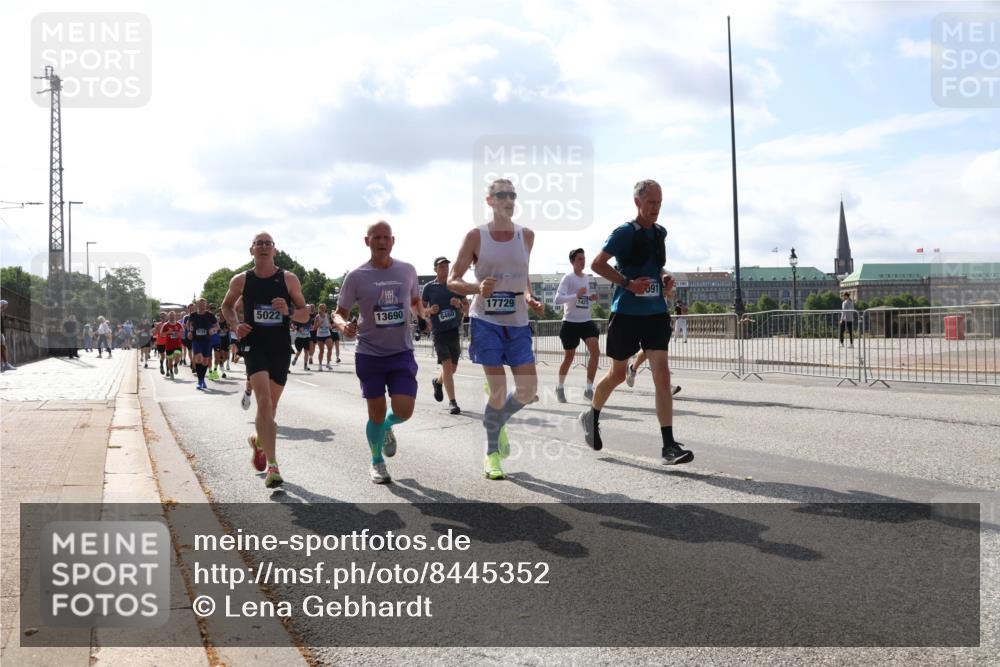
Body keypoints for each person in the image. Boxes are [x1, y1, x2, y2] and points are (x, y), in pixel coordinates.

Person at [579, 179, 693, 465]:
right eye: (651, 203)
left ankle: (668, 446)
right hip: (627, 313)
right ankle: (591, 415)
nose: (656, 209)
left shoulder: (660, 232)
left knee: (663, 376)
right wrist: (628, 283)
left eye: (660, 203)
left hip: (655, 312)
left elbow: (655, 266)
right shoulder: (624, 233)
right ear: (638, 202)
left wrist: (665, 278)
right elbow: (597, 264)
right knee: (618, 374)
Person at [448, 179, 545, 480]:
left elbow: (523, 274)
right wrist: (476, 286)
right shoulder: (476, 236)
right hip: (486, 320)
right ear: (489, 200)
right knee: (500, 391)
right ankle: (492, 454)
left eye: (512, 194)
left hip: (517, 321)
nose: (508, 199)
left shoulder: (526, 235)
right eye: (502, 194)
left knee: (528, 391)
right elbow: (452, 279)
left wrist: (529, 296)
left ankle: (496, 420)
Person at [334, 221, 425, 485]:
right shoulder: (356, 276)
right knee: (375, 411)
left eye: (386, 237)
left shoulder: (407, 270)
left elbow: (416, 301)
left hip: (401, 352)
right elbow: (339, 313)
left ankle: (387, 427)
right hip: (369, 353)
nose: (382, 242)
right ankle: (377, 462)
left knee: (404, 410)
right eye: (376, 238)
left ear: (393, 241)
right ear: (367, 241)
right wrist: (343, 326)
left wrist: (422, 316)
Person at [221, 232, 309, 490]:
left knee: (270, 410)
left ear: (275, 250)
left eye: (268, 243)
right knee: (263, 401)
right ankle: (273, 466)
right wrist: (236, 325)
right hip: (254, 345)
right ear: (251, 251)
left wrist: (289, 311)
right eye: (258, 243)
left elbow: (305, 315)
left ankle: (258, 442)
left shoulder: (288, 279)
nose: (263, 247)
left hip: (280, 347)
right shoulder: (242, 280)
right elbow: (226, 307)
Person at [422, 256, 469, 415]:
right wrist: (429, 311)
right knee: (447, 366)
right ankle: (453, 402)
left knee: (452, 369)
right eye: (441, 266)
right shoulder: (429, 288)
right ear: (435, 269)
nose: (445, 268)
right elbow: (420, 311)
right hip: (439, 332)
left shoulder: (455, 285)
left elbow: (467, 309)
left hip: (453, 331)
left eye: (446, 266)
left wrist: (459, 304)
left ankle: (438, 382)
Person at [553, 248, 600, 402]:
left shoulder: (586, 277)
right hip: (570, 323)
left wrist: (590, 298)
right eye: (579, 259)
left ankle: (588, 389)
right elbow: (557, 300)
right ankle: (559, 387)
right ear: (572, 262)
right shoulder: (568, 278)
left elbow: (582, 298)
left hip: (586, 321)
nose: (583, 261)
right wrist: (576, 295)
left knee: (595, 351)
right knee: (569, 358)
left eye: (584, 258)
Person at [186, 299, 219, 390]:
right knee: (199, 358)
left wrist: (213, 330)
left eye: (203, 304)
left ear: (206, 305)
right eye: (200, 304)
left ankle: (202, 379)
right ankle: (200, 381)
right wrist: (189, 331)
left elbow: (217, 326)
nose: (202, 306)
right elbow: (188, 324)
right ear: (197, 305)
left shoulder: (210, 315)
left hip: (207, 341)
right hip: (196, 340)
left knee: (205, 361)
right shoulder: (193, 315)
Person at [160, 311, 185, 378]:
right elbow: (161, 334)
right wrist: (168, 332)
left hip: (178, 344)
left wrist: (179, 333)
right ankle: (171, 371)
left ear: (175, 316)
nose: (172, 317)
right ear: (168, 317)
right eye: (170, 316)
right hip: (169, 345)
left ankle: (175, 365)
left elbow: (183, 332)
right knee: (170, 360)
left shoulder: (179, 324)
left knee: (178, 356)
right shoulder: (165, 325)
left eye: (173, 315)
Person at [314, 303, 335, 370]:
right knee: (321, 351)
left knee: (330, 348)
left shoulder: (327, 315)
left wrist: (330, 326)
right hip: (320, 335)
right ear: (319, 309)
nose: (323, 309)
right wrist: (319, 324)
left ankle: (328, 363)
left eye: (324, 308)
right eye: (322, 308)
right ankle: (320, 365)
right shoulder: (317, 317)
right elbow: (314, 328)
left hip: (327, 334)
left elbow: (328, 324)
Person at [1, 300, 14, 371]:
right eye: (5, 305)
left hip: (1, 333)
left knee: (3, 348)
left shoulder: (2, 312)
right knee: (3, 347)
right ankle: (5, 364)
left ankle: (4, 363)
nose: (6, 307)